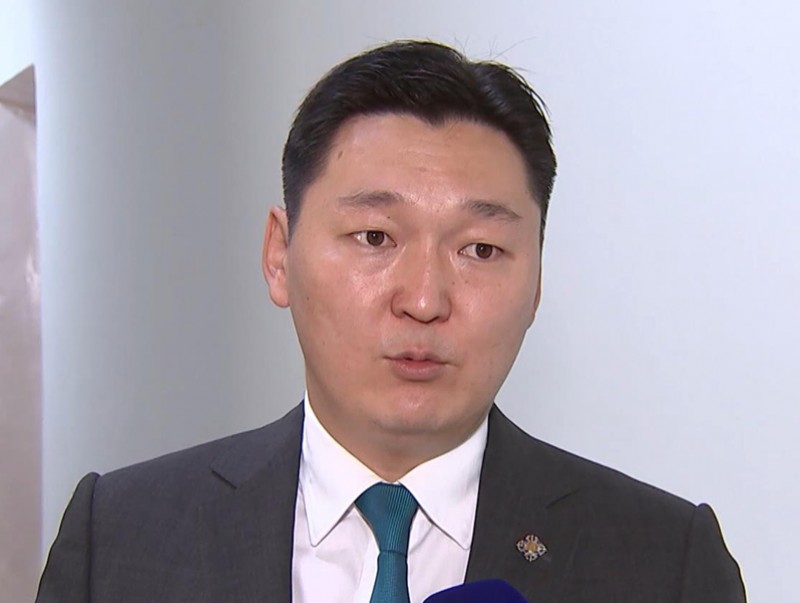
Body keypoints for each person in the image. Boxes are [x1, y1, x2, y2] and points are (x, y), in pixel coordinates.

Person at [36, 40, 746, 603]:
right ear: (279, 256)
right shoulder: (120, 537)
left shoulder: (665, 561)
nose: (425, 299)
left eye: (481, 249)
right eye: (375, 237)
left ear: (536, 282)